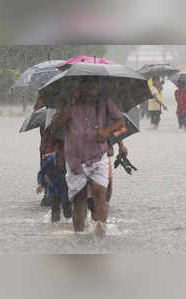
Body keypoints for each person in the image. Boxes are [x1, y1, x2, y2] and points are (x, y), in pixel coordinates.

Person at [51, 78, 125, 238]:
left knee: (100, 194)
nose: (93, 93)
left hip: (98, 156)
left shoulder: (105, 100)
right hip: (75, 159)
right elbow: (55, 127)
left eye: (95, 88)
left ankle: (100, 235)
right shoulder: (69, 102)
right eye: (90, 89)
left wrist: (107, 131)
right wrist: (67, 107)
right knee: (79, 198)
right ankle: (78, 235)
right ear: (81, 87)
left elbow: (120, 121)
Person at [37, 138, 72, 223]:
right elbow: (41, 172)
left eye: (62, 149)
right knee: (55, 210)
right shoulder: (50, 160)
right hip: (54, 186)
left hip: (65, 187)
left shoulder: (69, 160)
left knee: (67, 212)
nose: (60, 152)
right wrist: (40, 184)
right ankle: (54, 226)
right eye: (58, 149)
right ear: (55, 149)